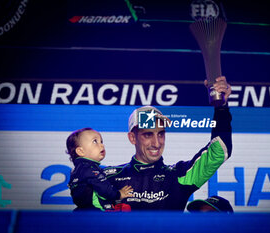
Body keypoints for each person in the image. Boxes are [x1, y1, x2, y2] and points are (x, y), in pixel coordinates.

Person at [101, 76, 233, 211]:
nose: (157, 143)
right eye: (148, 134)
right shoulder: (108, 178)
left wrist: (221, 108)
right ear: (132, 138)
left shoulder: (179, 175)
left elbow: (219, 151)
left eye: (161, 134)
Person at [66, 127, 133, 211]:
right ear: (80, 151)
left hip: (82, 213)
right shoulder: (90, 169)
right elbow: (104, 189)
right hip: (96, 214)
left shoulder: (76, 171)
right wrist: (119, 194)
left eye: (101, 141)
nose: (102, 145)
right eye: (95, 141)